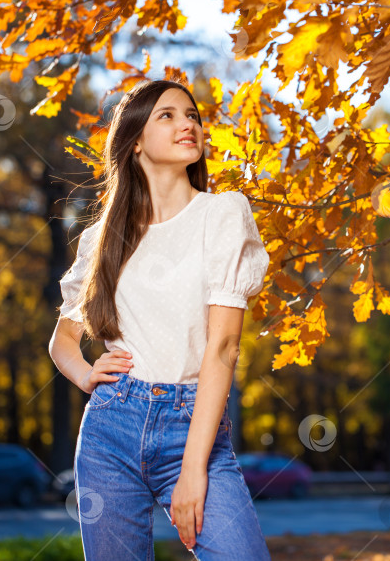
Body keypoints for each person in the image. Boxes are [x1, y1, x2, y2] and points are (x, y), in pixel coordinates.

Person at [49, 79, 271, 561]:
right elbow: (62, 340)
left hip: (194, 426)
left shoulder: (222, 214)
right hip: (110, 431)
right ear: (134, 143)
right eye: (167, 116)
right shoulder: (101, 240)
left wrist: (194, 467)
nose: (187, 123)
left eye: (191, 115)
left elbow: (223, 349)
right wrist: (87, 375)